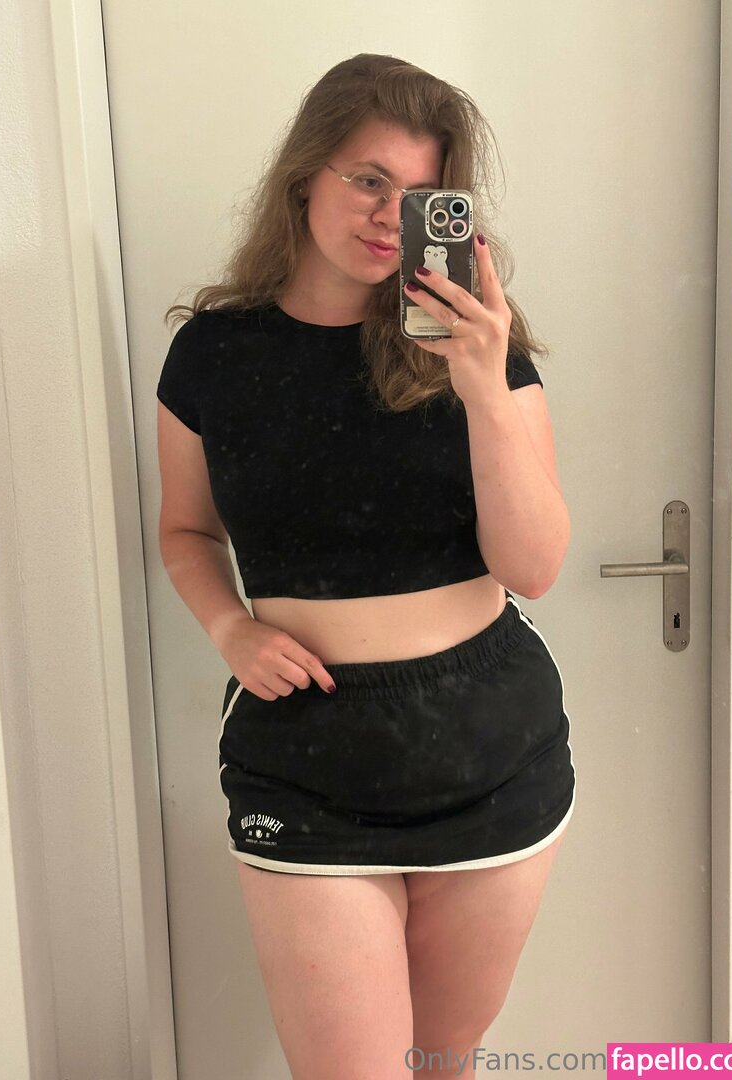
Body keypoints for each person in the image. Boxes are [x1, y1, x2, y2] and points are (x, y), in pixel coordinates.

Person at [157, 53, 576, 1080]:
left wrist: (482, 384)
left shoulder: (477, 345)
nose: (392, 216)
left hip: (488, 741)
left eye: (420, 192)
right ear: (307, 174)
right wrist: (230, 628)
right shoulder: (214, 353)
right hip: (305, 750)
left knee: (443, 1063)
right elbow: (185, 531)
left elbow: (533, 566)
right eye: (369, 180)